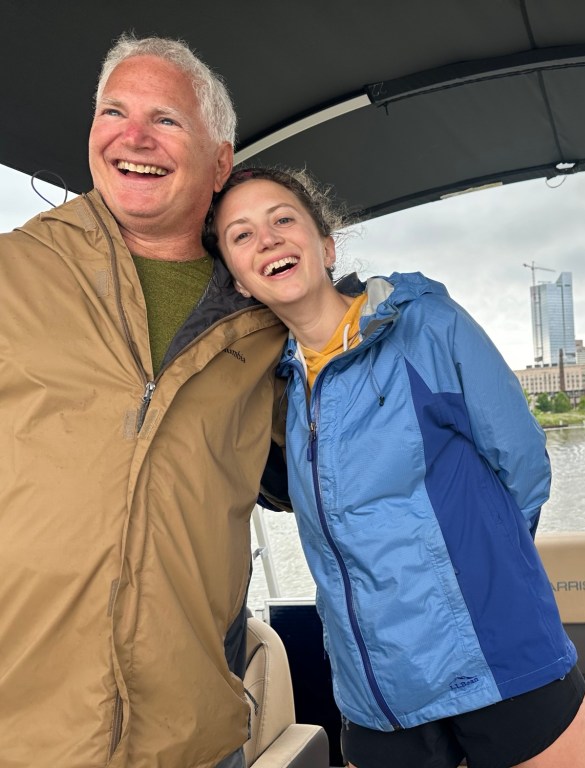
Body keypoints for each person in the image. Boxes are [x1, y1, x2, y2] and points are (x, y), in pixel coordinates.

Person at [203, 166, 585, 768]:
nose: (268, 239)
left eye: (283, 219)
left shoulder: (428, 326)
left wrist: (486, 578)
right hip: (377, 695)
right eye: (242, 234)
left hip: (499, 660)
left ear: (326, 246)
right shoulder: (268, 390)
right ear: (238, 280)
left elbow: (522, 466)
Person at [0, 36, 287, 768]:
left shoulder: (269, 322)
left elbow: (349, 467)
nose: (133, 137)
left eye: (166, 119)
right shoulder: (12, 271)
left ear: (219, 162)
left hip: (191, 741)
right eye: (114, 111)